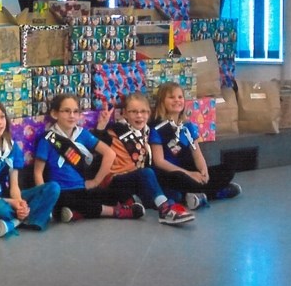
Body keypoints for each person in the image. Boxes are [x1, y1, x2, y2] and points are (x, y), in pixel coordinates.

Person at [33, 94, 143, 223]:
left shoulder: (83, 134)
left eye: (75, 111)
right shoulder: (47, 139)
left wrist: (96, 181)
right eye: (66, 111)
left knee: (109, 192)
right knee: (72, 201)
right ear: (54, 114)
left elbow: (110, 154)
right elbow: (38, 172)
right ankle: (115, 211)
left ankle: (77, 214)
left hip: (82, 187)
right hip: (61, 191)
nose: (72, 115)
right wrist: (45, 198)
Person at [94, 94, 195, 225]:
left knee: (175, 195)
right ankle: (165, 211)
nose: (139, 115)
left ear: (149, 113)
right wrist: (101, 126)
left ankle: (135, 202)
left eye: (143, 111)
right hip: (117, 181)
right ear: (124, 114)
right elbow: (97, 144)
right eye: (133, 112)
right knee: (147, 173)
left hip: (137, 181)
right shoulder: (116, 130)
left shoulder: (147, 131)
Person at [0, 98, 60, 236]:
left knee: (53, 188)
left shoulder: (12, 147)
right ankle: (27, 217)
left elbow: (14, 186)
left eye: (2, 117)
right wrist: (13, 202)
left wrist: (20, 202)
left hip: (9, 197)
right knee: (0, 209)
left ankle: (17, 221)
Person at [149, 82, 242, 208]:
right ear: (162, 101)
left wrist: (204, 172)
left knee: (228, 169)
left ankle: (200, 193)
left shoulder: (188, 126)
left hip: (189, 169)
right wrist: (189, 174)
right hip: (172, 174)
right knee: (180, 178)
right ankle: (214, 192)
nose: (177, 100)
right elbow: (159, 161)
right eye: (171, 97)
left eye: (180, 97)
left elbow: (197, 154)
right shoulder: (157, 128)